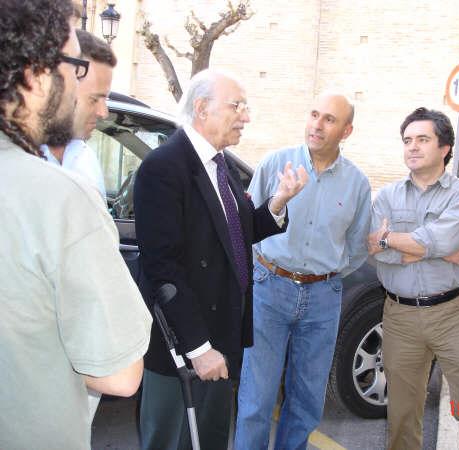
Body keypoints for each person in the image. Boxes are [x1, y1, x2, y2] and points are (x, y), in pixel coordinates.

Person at [0, 1, 152, 449]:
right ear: (34, 73)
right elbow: (120, 374)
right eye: (73, 65)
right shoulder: (58, 196)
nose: (76, 84)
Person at [134, 69, 308, 450]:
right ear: (201, 109)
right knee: (169, 441)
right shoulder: (163, 168)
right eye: (237, 106)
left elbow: (235, 236)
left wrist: (278, 202)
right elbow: (163, 267)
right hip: (184, 348)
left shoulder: (221, 165)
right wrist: (198, 348)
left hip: (222, 340)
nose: (245, 116)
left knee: (209, 441)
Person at [235, 92, 372, 450]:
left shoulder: (357, 184)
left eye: (329, 119)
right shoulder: (274, 163)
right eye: (314, 114)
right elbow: (247, 227)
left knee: (307, 402)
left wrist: (327, 275)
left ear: (347, 131)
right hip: (269, 289)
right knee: (256, 399)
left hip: (323, 299)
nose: (317, 124)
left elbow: (357, 247)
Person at [368, 107, 459, 450]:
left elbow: (439, 240)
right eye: (407, 140)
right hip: (400, 316)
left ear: (444, 147)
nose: (413, 147)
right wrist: (433, 247)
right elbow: (374, 248)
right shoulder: (387, 195)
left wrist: (394, 240)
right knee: (402, 413)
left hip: (452, 316)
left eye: (423, 139)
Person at [41, 29, 116, 200]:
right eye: (94, 99)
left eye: (105, 99)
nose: (103, 113)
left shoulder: (84, 157)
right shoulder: (14, 162)